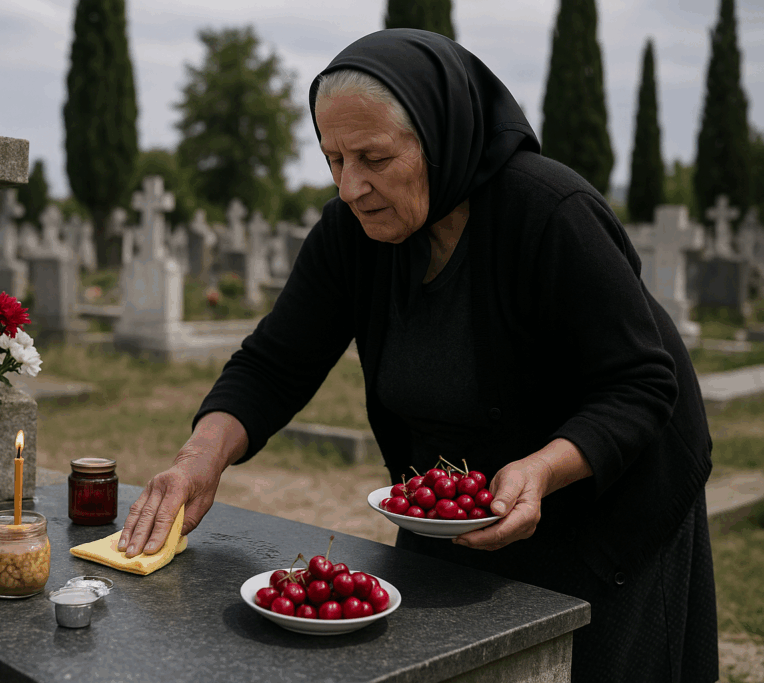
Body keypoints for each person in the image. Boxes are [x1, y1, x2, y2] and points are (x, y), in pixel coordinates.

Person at [119, 29, 718, 681]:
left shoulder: (550, 213)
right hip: (459, 508)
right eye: (334, 160)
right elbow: (273, 363)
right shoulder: (350, 236)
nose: (351, 187)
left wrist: (543, 470)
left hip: (606, 511)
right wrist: (198, 459)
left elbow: (640, 383)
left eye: (373, 157)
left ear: (438, 137)